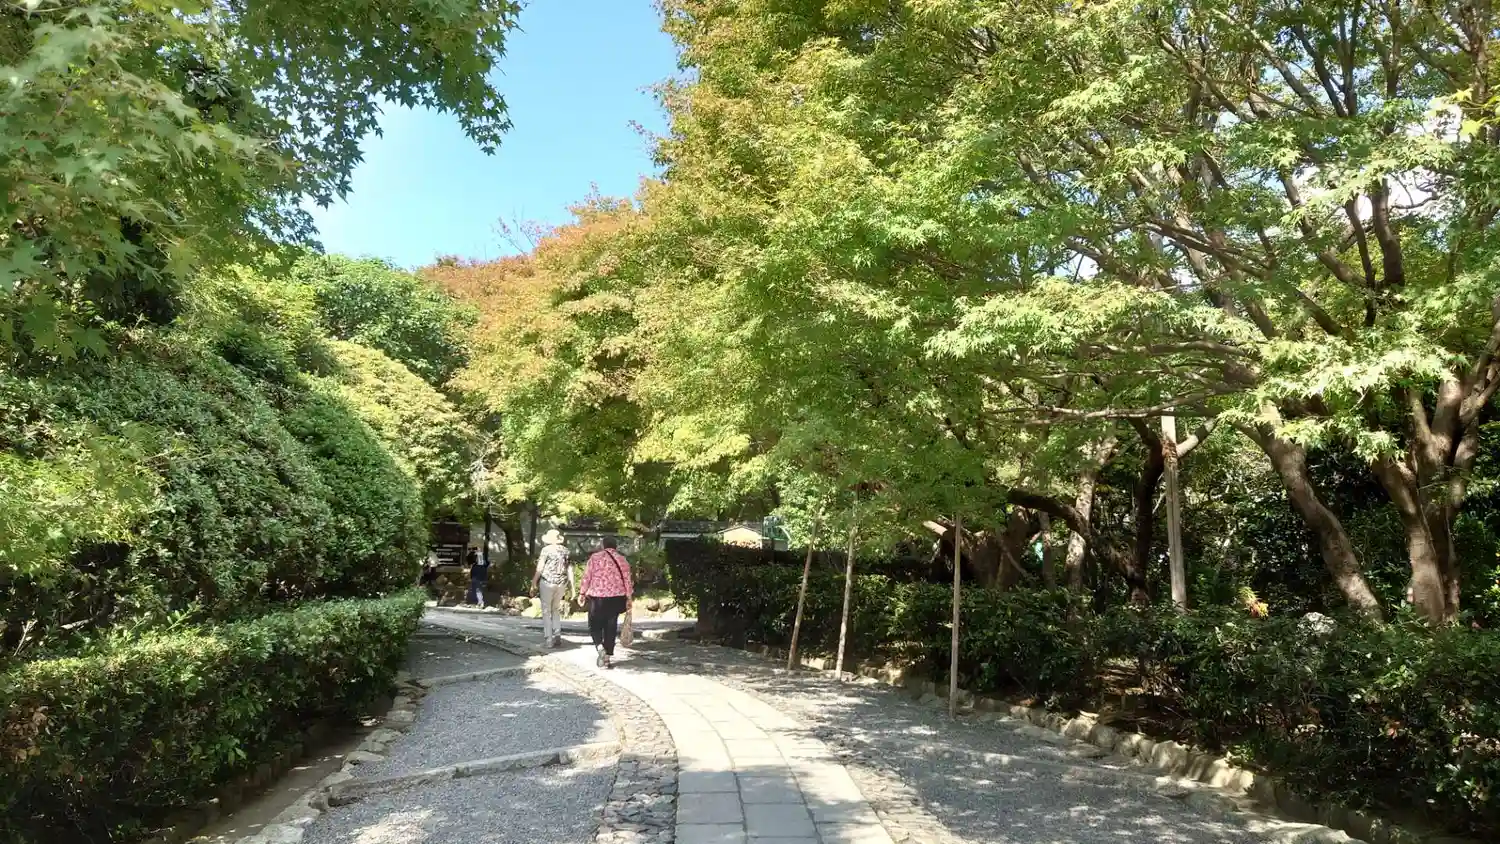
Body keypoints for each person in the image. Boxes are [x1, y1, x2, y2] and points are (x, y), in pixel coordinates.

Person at [578, 537, 633, 669]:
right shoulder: (622, 559)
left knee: (594, 625)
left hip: (597, 596)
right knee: (611, 626)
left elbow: (587, 576)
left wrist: (582, 593)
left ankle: (599, 647)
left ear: (603, 545)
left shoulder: (594, 558)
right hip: (616, 597)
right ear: (616, 546)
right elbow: (627, 580)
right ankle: (607, 657)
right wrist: (629, 597)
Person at [531, 529, 573, 647]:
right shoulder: (566, 551)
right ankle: (557, 632)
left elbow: (540, 567)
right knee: (556, 608)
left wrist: (534, 581)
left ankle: (549, 639)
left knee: (546, 610)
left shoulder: (546, 550)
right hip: (561, 583)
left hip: (547, 582)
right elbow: (569, 569)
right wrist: (572, 586)